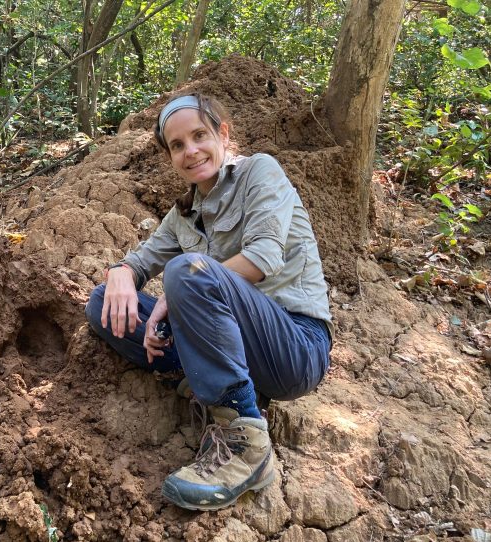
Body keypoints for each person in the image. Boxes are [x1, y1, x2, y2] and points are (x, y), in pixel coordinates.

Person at [84, 93, 333, 512]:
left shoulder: (260, 172)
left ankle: (244, 445)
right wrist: (122, 273)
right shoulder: (184, 213)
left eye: (199, 135)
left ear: (223, 134)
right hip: (236, 343)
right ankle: (210, 377)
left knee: (187, 271)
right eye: (178, 145)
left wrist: (175, 293)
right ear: (170, 156)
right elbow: (140, 260)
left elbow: (263, 257)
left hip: (295, 348)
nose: (191, 151)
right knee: (102, 304)